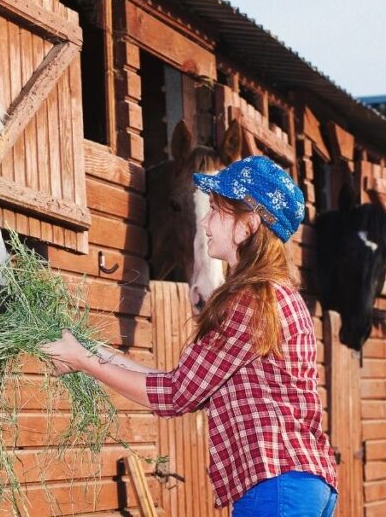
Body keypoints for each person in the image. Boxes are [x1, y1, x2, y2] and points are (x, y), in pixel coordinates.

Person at [39, 156, 338, 516]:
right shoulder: (279, 294)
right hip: (304, 485)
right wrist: (92, 353)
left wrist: (83, 361)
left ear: (248, 226)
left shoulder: (251, 300)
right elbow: (179, 384)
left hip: (277, 489)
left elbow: (174, 395)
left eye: (215, 210)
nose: (204, 221)